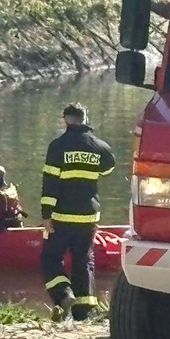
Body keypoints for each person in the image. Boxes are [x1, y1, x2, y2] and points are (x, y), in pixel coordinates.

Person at [40, 103, 115, 322]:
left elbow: (50, 183)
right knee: (83, 261)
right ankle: (84, 312)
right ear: (85, 119)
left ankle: (64, 295)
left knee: (50, 258)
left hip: (62, 216)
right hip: (88, 216)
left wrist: (46, 214)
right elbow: (109, 167)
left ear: (65, 119)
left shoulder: (57, 147)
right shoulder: (99, 146)